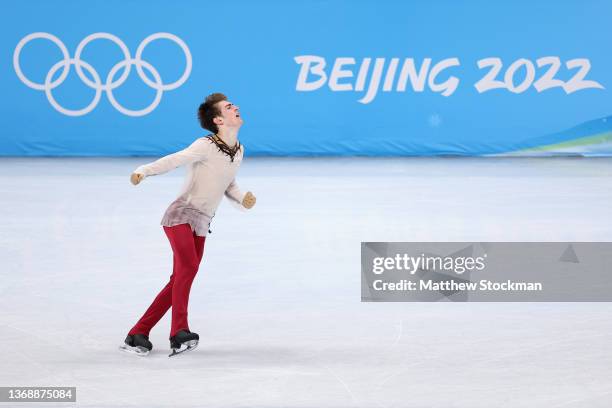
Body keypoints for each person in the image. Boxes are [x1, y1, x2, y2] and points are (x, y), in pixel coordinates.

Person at [120, 93, 256, 357]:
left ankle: (138, 332)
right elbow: (175, 159)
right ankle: (178, 332)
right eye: (229, 107)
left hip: (203, 222)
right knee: (189, 268)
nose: (236, 107)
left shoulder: (238, 150)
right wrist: (144, 171)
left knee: (180, 278)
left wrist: (242, 198)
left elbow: (228, 184)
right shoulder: (205, 145)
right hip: (180, 216)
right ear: (218, 119)